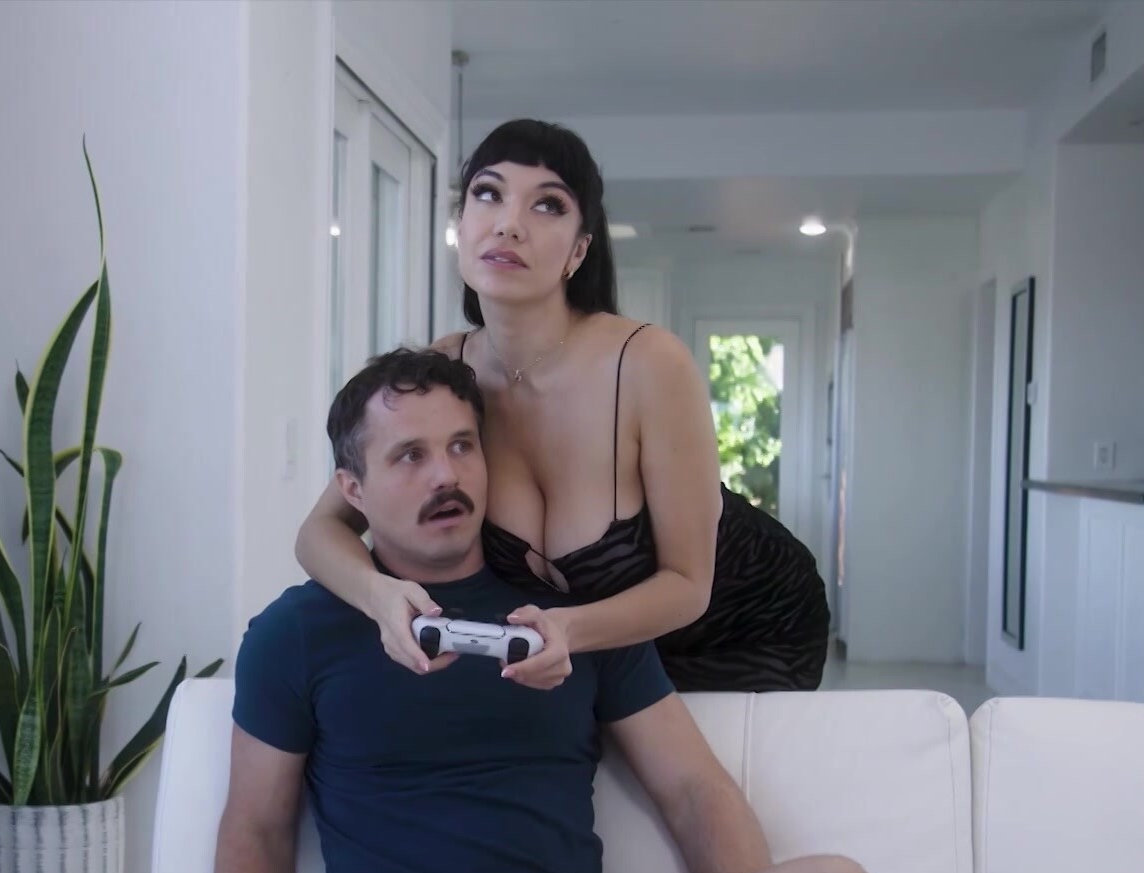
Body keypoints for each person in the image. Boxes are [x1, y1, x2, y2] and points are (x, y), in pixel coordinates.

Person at [161, 350, 886, 873]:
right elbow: (254, 827)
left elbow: (692, 788)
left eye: (462, 447)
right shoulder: (297, 633)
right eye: (410, 455)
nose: (445, 476)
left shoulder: (573, 620)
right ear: (353, 488)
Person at [295, 118, 830, 694]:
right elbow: (320, 531)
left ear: (578, 251)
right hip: (591, 646)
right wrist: (379, 596)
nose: (509, 223)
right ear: (460, 225)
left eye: (547, 205)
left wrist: (566, 630)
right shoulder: (442, 374)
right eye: (488, 194)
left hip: (748, 626)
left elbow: (687, 584)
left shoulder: (649, 363)